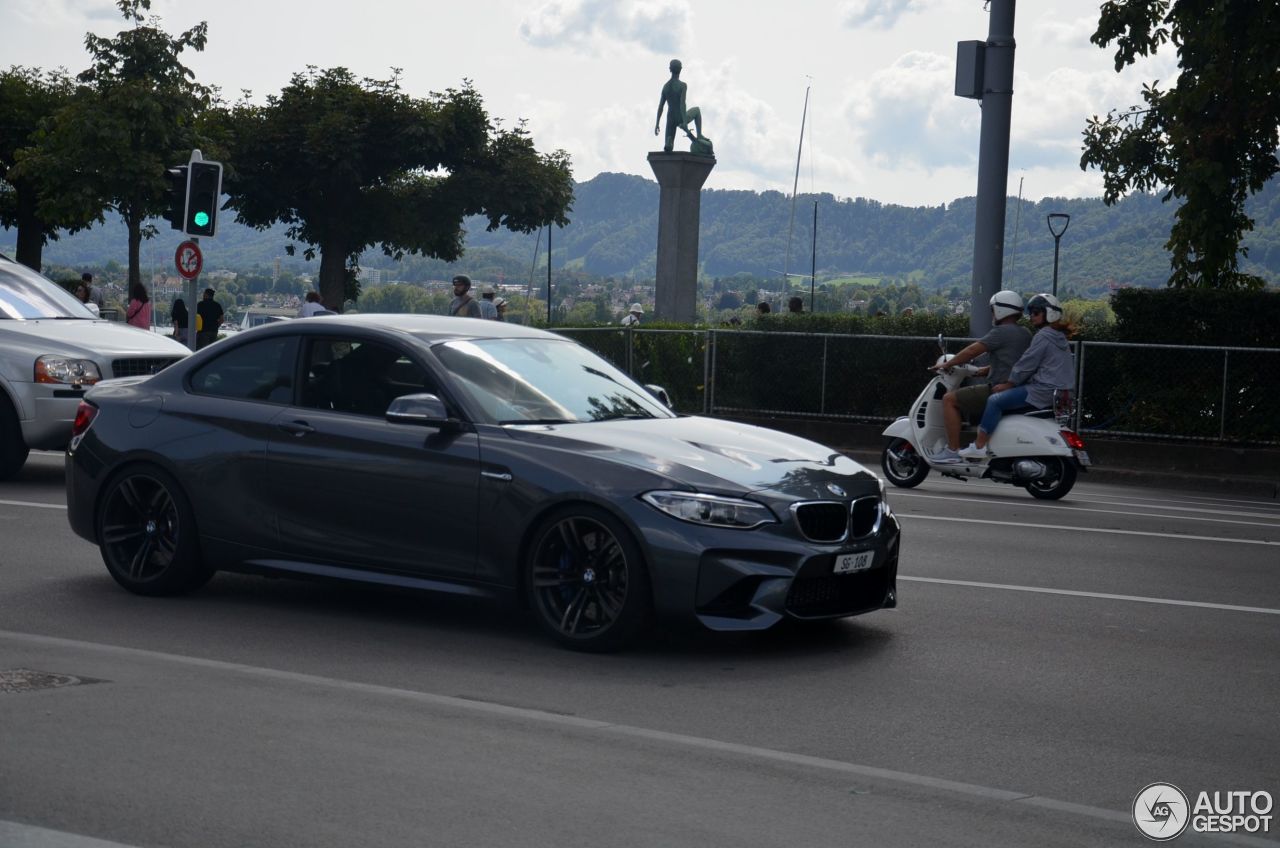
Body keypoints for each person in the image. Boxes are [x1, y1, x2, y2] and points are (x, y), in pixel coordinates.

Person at [959, 293, 1076, 460]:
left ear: (1048, 313)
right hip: (1062, 392)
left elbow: (1026, 364)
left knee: (995, 400)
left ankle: (979, 446)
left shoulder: (1043, 335)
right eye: (1031, 313)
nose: (1031, 317)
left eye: (1036, 312)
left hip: (1043, 390)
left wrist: (1010, 383)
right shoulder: (1059, 337)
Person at [928, 291, 1032, 464]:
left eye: (993, 310)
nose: (992, 313)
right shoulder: (1025, 333)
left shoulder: (1000, 332)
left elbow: (972, 351)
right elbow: (1013, 361)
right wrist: (982, 370)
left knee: (949, 399)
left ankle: (952, 450)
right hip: (1017, 388)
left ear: (1000, 310)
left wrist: (948, 364)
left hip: (999, 388)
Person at [654, 59, 703, 152]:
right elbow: (682, 103)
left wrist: (657, 123)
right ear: (680, 69)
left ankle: (669, 141)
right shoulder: (682, 85)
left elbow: (661, 106)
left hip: (670, 118)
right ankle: (699, 135)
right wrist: (685, 122)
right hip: (680, 116)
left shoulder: (666, 86)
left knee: (668, 148)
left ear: (670, 69)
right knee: (697, 110)